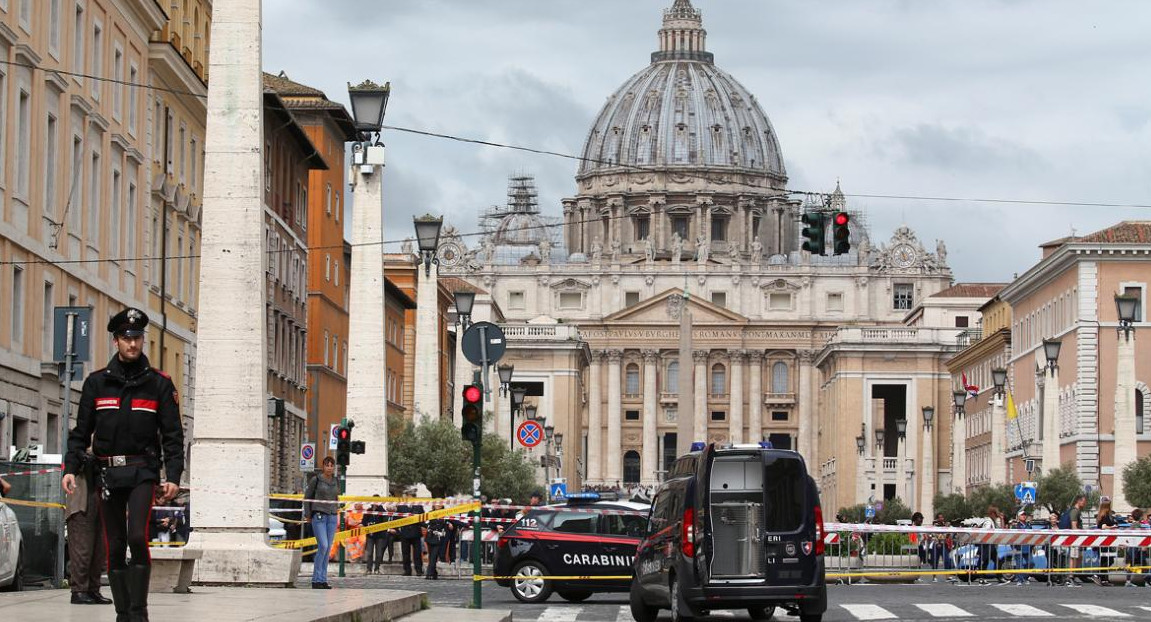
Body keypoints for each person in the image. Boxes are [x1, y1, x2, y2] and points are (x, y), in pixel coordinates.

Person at [63, 307, 184, 622]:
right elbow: (80, 432)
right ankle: (122, 613)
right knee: (114, 544)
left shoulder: (159, 384)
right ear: (116, 341)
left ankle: (139, 611)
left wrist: (172, 476)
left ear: (142, 340)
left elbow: (173, 436)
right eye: (126, 338)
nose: (132, 344)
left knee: (135, 537)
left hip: (143, 470)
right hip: (107, 473)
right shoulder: (96, 384)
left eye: (137, 337)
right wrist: (70, 469)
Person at [64, 450, 111, 605]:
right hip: (82, 499)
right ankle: (79, 590)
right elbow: (73, 458)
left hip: (101, 498)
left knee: (99, 549)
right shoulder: (79, 444)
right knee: (82, 547)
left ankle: (93, 589)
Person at [304, 456, 339, 589]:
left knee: (328, 548)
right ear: (323, 466)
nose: (329, 467)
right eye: (327, 465)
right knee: (323, 546)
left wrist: (338, 509)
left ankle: (323, 579)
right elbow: (307, 497)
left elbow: (336, 497)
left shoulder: (335, 481)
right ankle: (316, 579)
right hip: (318, 516)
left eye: (332, 465)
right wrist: (308, 514)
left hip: (332, 516)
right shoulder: (316, 479)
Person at [424, 503, 453, 579]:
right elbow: (424, 522)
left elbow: (450, 520)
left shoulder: (445, 513)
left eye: (439, 504)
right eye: (436, 504)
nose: (438, 505)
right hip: (430, 536)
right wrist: (428, 527)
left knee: (434, 555)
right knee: (431, 556)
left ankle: (429, 573)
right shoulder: (430, 513)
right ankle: (434, 573)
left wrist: (449, 523)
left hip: (439, 537)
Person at [363, 495, 389, 575]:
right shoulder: (368, 510)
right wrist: (368, 524)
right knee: (369, 553)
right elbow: (364, 521)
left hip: (380, 535)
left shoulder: (382, 510)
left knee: (379, 553)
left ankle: (377, 569)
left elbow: (385, 521)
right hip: (370, 535)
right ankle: (369, 569)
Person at [398, 502, 426, 576]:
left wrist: (425, 526)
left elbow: (422, 518)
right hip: (405, 533)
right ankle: (407, 570)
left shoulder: (419, 506)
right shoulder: (401, 507)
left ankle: (419, 570)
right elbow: (396, 518)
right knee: (405, 553)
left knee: (417, 553)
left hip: (416, 532)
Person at [1066, 494, 1087, 586]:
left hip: (1078, 539)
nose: (1085, 503)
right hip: (1075, 538)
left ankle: (1073, 576)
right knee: (1073, 557)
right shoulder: (1075, 511)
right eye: (1083, 501)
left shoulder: (1078, 511)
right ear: (1078, 501)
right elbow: (1074, 526)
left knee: (1078, 557)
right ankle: (1070, 577)